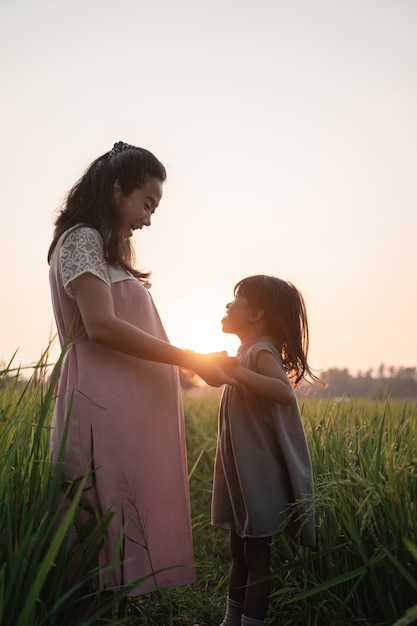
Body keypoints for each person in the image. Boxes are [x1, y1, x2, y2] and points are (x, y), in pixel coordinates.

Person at [47, 141, 237, 597]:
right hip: (100, 401)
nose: (149, 218)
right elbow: (102, 327)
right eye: (147, 203)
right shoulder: (81, 240)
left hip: (125, 408)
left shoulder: (110, 250)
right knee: (93, 519)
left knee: (118, 521)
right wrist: (190, 358)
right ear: (117, 190)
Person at [211, 275, 320, 626]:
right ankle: (231, 621)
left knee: (256, 556)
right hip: (243, 473)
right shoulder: (247, 352)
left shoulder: (259, 352)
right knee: (239, 551)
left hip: (258, 476)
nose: (228, 305)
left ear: (256, 313)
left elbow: (284, 392)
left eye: (236, 299)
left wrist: (239, 374)